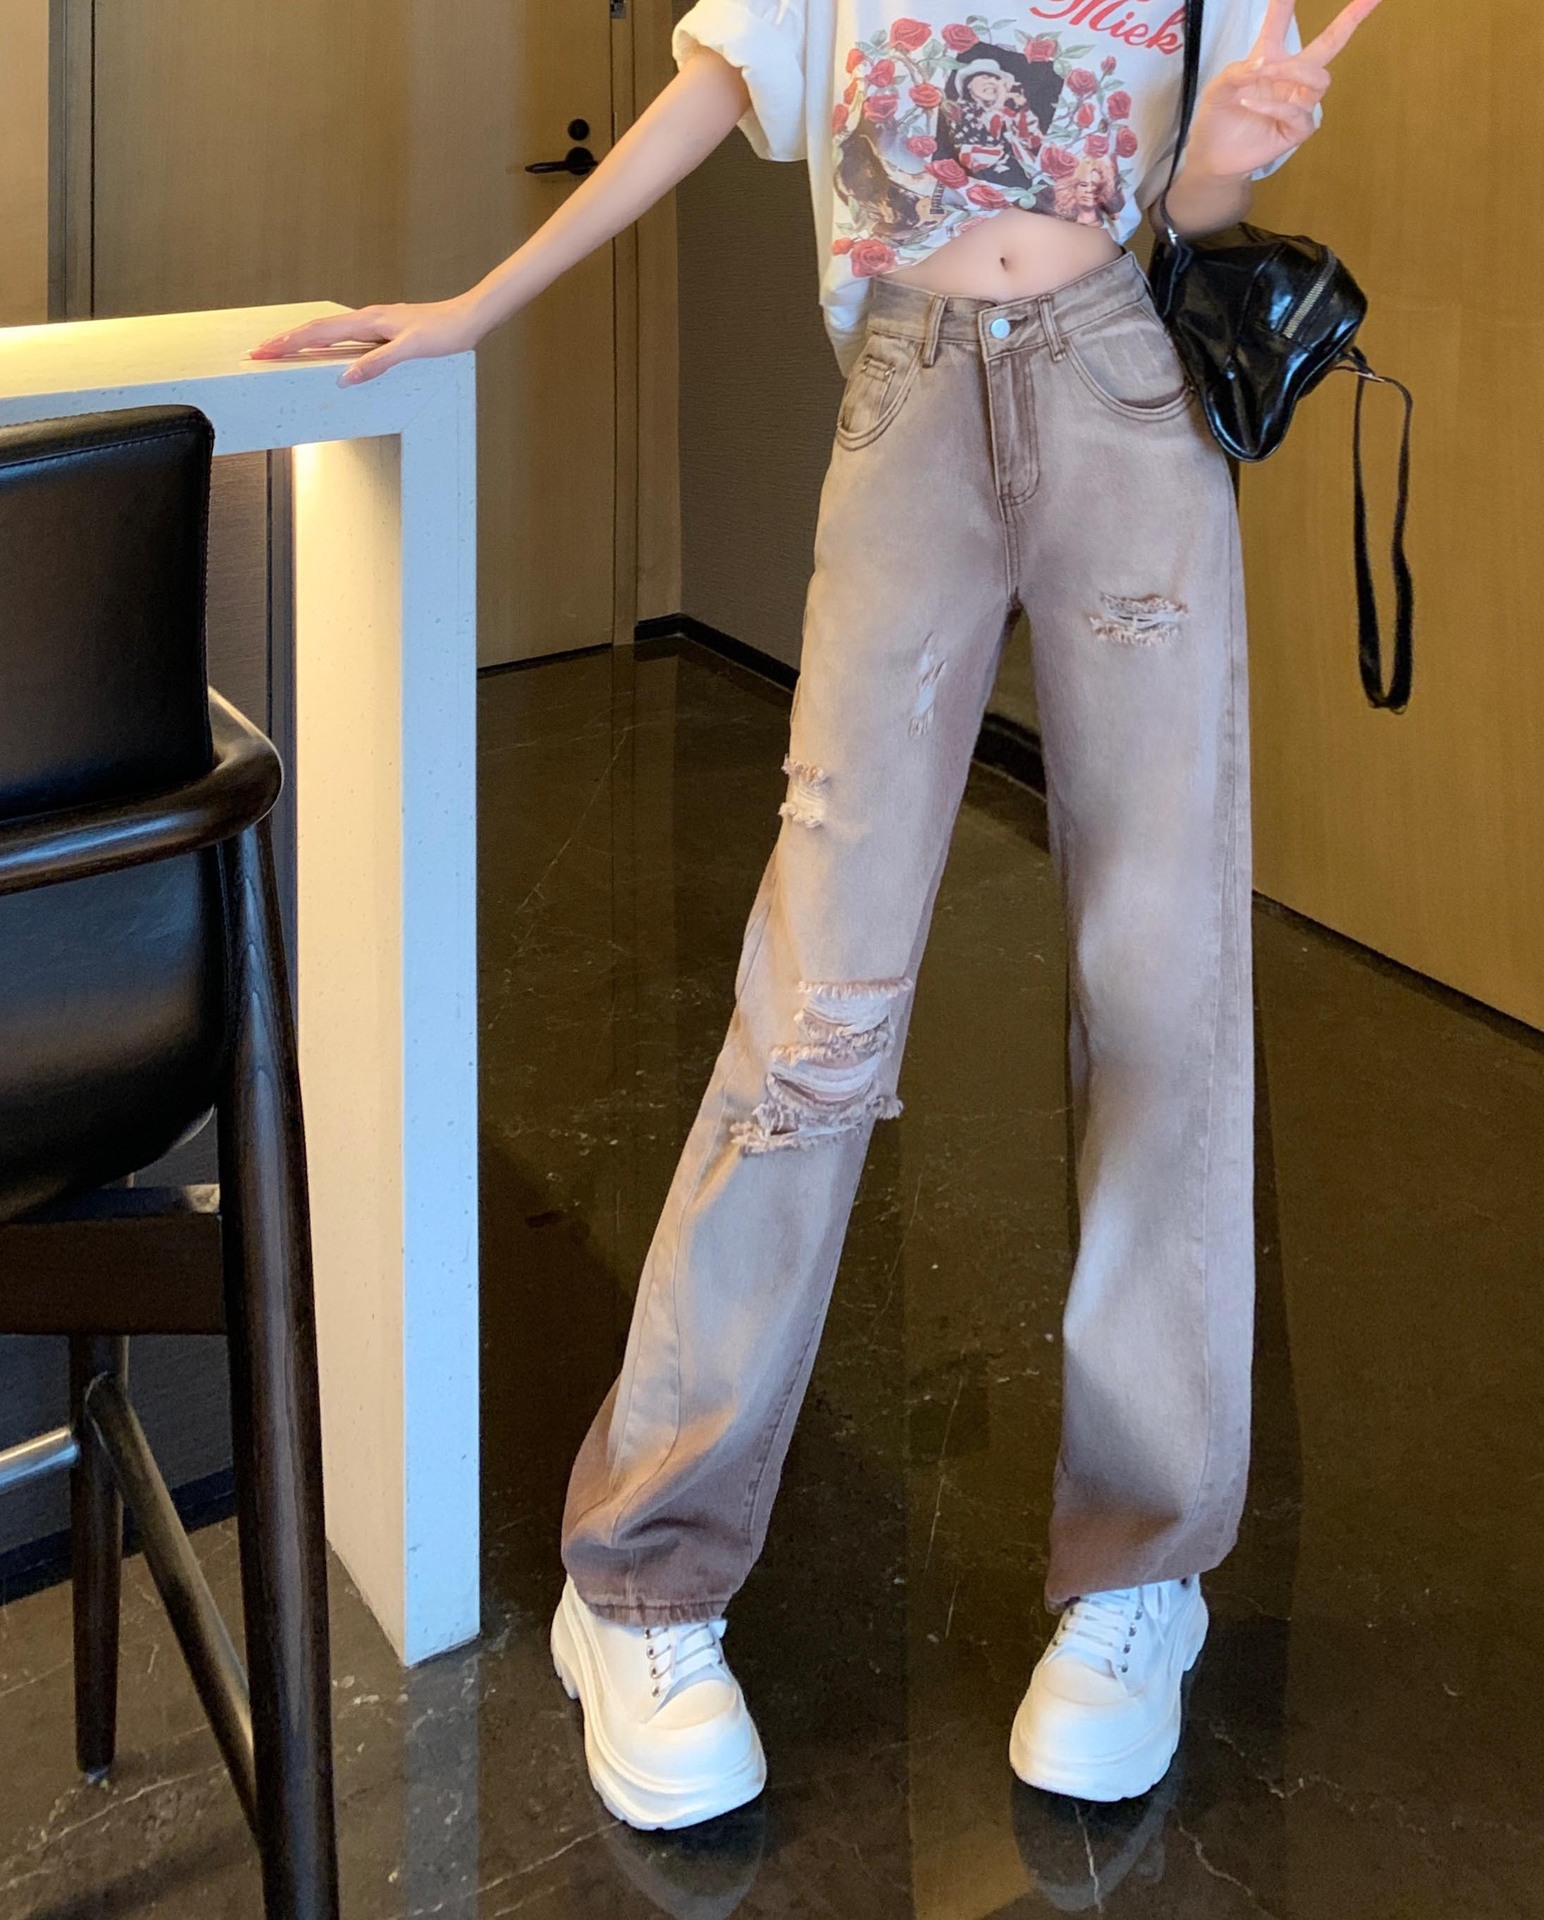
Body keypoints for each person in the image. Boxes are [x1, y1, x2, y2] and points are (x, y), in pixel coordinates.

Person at [253, 0, 1384, 1833]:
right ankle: (641, 1576)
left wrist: (1230, 161)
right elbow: (709, 96)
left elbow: (1183, 200)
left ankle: (1140, 1569)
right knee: (815, 1005)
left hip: (1129, 402)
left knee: (1163, 996)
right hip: (912, 403)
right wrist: (475, 303)